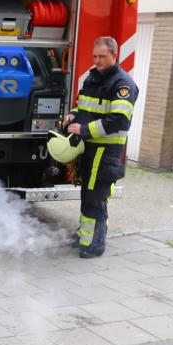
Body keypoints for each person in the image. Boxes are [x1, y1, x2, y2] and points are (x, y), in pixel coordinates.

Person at [64, 36, 138, 258]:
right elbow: (83, 107)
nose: (96, 61)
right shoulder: (93, 78)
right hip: (91, 149)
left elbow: (119, 120)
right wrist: (72, 115)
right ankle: (84, 237)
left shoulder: (122, 84)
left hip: (106, 152)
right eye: (95, 56)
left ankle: (95, 245)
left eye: (102, 57)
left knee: (96, 197)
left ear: (114, 55)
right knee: (88, 194)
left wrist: (84, 130)